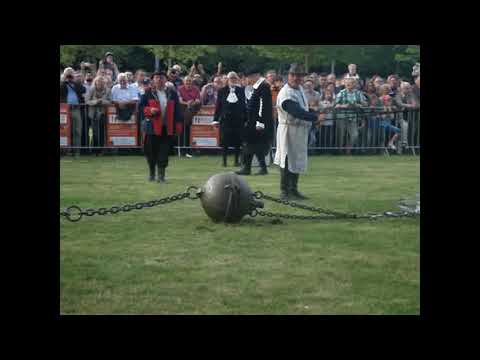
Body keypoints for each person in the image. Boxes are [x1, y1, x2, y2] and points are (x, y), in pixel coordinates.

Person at [274, 63, 323, 200]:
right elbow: (296, 111)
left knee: (297, 159)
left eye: (299, 75)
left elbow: (304, 109)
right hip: (288, 130)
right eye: (293, 75)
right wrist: (315, 117)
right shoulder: (286, 93)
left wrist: (315, 113)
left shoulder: (300, 89)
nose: (296, 78)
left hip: (300, 130)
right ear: (288, 76)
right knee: (287, 159)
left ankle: (293, 189)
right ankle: (285, 191)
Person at [140, 71, 183, 182]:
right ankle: (152, 173)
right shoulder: (147, 92)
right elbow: (141, 108)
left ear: (166, 80)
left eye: (162, 77)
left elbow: (177, 110)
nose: (159, 80)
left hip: (167, 127)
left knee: (164, 152)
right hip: (151, 128)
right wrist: (150, 110)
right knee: (151, 151)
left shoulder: (172, 93)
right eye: (157, 78)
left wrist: (178, 124)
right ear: (153, 80)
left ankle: (161, 176)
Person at [236, 67, 274, 176]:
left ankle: (249, 168)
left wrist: (260, 122)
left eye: (249, 77)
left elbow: (263, 105)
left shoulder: (263, 87)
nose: (248, 80)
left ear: (255, 76)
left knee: (252, 144)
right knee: (253, 145)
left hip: (257, 121)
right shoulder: (258, 87)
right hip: (254, 120)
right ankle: (253, 168)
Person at [213, 72, 246, 167]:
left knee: (238, 141)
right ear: (227, 80)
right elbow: (218, 106)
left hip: (237, 119)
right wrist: (215, 119)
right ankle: (224, 161)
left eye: (234, 78)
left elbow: (243, 105)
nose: (232, 80)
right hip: (225, 119)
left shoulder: (240, 90)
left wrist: (245, 118)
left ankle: (236, 161)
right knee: (224, 141)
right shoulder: (222, 91)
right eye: (231, 78)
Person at [334, 77, 368, 155]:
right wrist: (343, 106)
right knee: (341, 135)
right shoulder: (341, 93)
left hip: (353, 117)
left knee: (355, 135)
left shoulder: (358, 93)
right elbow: (335, 105)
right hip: (342, 117)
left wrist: (359, 105)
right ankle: (339, 151)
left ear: (355, 84)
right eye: (348, 83)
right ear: (345, 84)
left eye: (352, 83)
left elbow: (365, 104)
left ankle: (348, 149)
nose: (350, 85)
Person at [60, 68, 86, 156]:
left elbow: (83, 90)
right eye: (68, 74)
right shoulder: (62, 84)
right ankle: (65, 150)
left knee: (77, 130)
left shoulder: (76, 84)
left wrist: (74, 80)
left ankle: (76, 151)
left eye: (71, 74)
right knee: (64, 130)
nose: (69, 76)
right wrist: (64, 80)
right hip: (64, 110)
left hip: (76, 109)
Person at [85, 76, 112, 154]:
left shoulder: (107, 90)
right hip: (93, 114)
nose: (100, 83)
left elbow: (110, 101)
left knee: (102, 132)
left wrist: (102, 101)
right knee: (95, 132)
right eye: (99, 82)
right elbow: (87, 100)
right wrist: (95, 102)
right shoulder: (91, 89)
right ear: (95, 82)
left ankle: (101, 149)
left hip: (103, 113)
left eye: (102, 82)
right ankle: (94, 149)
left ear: (104, 83)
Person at [177, 76, 201, 157]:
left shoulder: (196, 89)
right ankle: (181, 151)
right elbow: (179, 100)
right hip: (182, 113)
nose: (188, 83)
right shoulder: (180, 89)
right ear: (183, 82)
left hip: (193, 112)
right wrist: (188, 103)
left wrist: (191, 103)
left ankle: (189, 150)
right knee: (182, 132)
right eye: (186, 81)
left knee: (190, 132)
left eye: (190, 81)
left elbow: (198, 101)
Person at [303, 79, 322, 149]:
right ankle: (306, 150)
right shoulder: (303, 94)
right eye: (307, 85)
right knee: (308, 135)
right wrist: (310, 106)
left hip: (314, 117)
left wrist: (315, 107)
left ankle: (310, 150)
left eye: (310, 85)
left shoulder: (317, 94)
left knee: (312, 136)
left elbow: (319, 105)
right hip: (306, 117)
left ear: (313, 86)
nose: (309, 87)